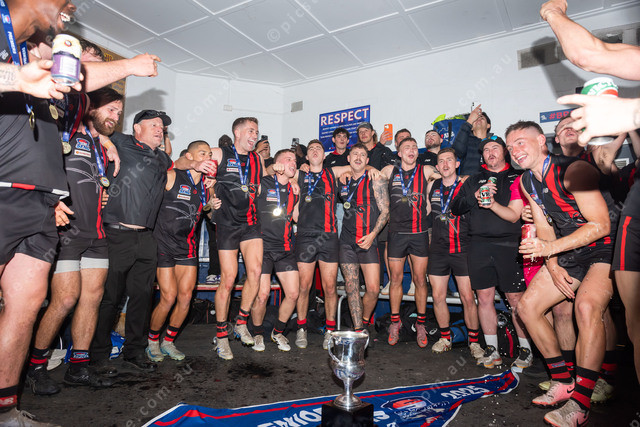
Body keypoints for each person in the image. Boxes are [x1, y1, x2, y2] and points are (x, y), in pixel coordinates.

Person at [539, 0, 640, 385]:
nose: (567, 129)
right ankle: (578, 380)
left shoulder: (593, 155)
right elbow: (588, 54)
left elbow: (610, 153)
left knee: (593, 308)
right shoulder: (549, 168)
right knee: (606, 315)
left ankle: (606, 379)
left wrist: (627, 120)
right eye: (561, 127)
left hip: (603, 238)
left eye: (572, 125)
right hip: (576, 242)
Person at [0, 1, 81, 424]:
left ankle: (6, 411)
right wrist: (16, 78)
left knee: (27, 305)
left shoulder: (27, 57)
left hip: (40, 202)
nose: (71, 6)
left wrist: (52, 194)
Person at [507, 120, 615, 426]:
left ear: (542, 141)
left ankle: (580, 403)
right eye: (511, 146)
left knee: (586, 307)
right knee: (526, 308)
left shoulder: (573, 170)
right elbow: (544, 228)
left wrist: (549, 249)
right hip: (568, 249)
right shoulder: (527, 181)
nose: (515, 150)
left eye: (521, 142)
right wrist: (552, 266)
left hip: (604, 247)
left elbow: (600, 225)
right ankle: (563, 381)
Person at [25, 88, 122, 396]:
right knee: (65, 300)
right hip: (67, 232)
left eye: (119, 113)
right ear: (91, 108)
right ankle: (34, 367)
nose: (115, 117)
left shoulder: (101, 146)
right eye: (110, 110)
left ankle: (78, 367)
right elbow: (40, 165)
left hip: (97, 234)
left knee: (92, 299)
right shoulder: (65, 132)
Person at [90, 110, 175, 374]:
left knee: (141, 298)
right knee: (110, 298)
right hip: (117, 234)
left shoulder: (162, 158)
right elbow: (94, 130)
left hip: (147, 237)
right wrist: (107, 145)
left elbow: (177, 165)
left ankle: (135, 352)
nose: (160, 129)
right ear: (137, 128)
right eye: (154, 125)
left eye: (162, 127)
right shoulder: (121, 141)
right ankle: (98, 356)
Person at [450, 136, 530, 369]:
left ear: (504, 151)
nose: (490, 152)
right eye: (486, 150)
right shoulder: (474, 179)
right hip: (479, 245)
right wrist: (474, 196)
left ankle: (526, 349)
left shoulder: (519, 176)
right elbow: (455, 208)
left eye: (495, 147)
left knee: (516, 300)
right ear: (482, 155)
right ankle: (492, 350)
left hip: (511, 245)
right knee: (484, 298)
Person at [203, 117, 265, 360]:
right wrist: (209, 193)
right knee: (228, 279)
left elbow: (262, 184)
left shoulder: (257, 159)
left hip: (250, 223)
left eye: (256, 132)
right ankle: (221, 336)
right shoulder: (220, 153)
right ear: (237, 132)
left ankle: (241, 322)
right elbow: (198, 167)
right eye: (251, 131)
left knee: (256, 272)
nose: (255, 136)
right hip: (227, 224)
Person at [146, 141, 213, 362]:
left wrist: (213, 203)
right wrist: (191, 163)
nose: (207, 157)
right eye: (202, 153)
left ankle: (168, 341)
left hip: (188, 248)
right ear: (190, 156)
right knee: (168, 297)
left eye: (209, 154)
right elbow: (176, 163)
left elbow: (209, 215)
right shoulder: (173, 175)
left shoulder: (206, 185)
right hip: (164, 245)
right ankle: (152, 341)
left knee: (185, 298)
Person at [381, 137, 438, 348]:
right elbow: (370, 172)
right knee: (395, 279)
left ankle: (420, 323)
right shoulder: (390, 170)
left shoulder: (425, 170)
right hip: (396, 233)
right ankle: (395, 322)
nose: (411, 150)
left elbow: (448, 175)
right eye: (407, 147)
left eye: (414, 147)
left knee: (420, 279)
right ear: (399, 153)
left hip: (419, 233)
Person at [426, 148, 482, 359]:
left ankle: (474, 342)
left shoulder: (467, 184)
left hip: (463, 248)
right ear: (437, 166)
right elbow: (427, 215)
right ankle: (445, 338)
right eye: (441, 161)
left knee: (468, 297)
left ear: (457, 164)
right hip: (438, 250)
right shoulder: (433, 186)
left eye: (449, 160)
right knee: (438, 296)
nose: (445, 164)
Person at [250, 149, 300, 352]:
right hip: (262, 248)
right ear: (278, 163)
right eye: (288, 159)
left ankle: (277, 332)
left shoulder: (295, 190)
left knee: (293, 294)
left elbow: (297, 217)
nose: (293, 162)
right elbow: (254, 176)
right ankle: (257, 334)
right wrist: (270, 167)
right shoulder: (264, 183)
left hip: (285, 248)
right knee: (262, 295)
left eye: (295, 160)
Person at [338, 143, 389, 334]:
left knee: (373, 289)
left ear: (367, 160)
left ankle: (364, 322)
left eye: (362, 155)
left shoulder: (376, 179)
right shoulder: (343, 181)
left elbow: (385, 211)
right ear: (348, 159)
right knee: (351, 288)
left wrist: (373, 235)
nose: (358, 157)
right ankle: (358, 330)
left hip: (368, 240)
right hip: (346, 243)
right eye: (355, 154)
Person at [452, 105, 493, 175]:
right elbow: (457, 151)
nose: (478, 119)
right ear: (471, 127)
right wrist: (469, 121)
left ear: (488, 125)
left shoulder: (495, 142)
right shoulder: (465, 141)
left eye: (481, 117)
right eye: (475, 119)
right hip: (469, 179)